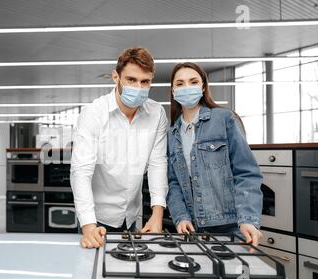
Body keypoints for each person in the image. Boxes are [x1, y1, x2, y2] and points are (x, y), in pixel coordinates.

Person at [70, 47, 168, 249]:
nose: (138, 87)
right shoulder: (93, 114)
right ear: (116, 77)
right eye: (131, 80)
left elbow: (158, 164)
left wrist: (157, 215)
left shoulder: (157, 113)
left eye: (145, 82)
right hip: (98, 218)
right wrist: (88, 226)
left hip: (134, 216)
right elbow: (81, 172)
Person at [167, 62, 263, 249]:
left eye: (193, 82)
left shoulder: (225, 119)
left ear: (203, 87)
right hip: (193, 230)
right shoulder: (172, 134)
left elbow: (247, 173)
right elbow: (173, 182)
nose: (187, 87)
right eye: (180, 84)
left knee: (235, 276)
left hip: (232, 226)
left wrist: (248, 218)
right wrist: (181, 216)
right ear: (173, 90)